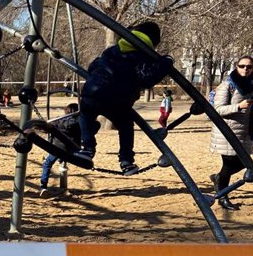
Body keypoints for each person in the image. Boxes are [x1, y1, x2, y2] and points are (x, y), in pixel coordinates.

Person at [76, 21, 173, 175]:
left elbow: (93, 66)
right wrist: (166, 63)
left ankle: (87, 148)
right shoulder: (143, 56)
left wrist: (95, 76)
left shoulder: (112, 50)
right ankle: (126, 160)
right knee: (126, 126)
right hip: (118, 99)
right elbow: (148, 79)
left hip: (92, 92)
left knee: (85, 116)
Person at [208, 55, 253, 211]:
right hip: (227, 132)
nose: (245, 69)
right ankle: (222, 196)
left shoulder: (251, 85)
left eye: (249, 67)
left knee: (243, 162)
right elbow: (217, 110)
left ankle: (219, 179)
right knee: (230, 165)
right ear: (236, 66)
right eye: (242, 66)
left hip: (243, 131)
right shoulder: (227, 85)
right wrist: (239, 106)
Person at [40, 103, 81, 195]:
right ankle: (61, 161)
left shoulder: (59, 120)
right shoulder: (79, 123)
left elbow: (46, 128)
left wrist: (45, 125)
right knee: (62, 158)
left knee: (47, 164)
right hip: (72, 149)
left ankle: (43, 186)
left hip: (57, 148)